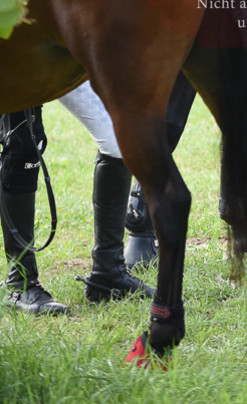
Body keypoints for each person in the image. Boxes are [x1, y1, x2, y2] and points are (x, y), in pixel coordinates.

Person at [1, 82, 154, 313]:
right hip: (19, 61)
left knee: (118, 136)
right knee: (23, 144)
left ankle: (108, 272)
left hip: (63, 59)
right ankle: (20, 283)